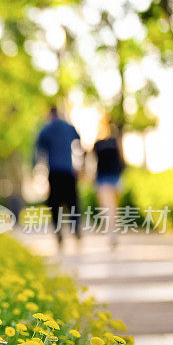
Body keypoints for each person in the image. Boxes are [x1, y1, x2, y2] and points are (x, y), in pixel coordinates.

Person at [33, 106, 84, 251]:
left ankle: (59, 232)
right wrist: (80, 164)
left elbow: (39, 152)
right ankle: (75, 229)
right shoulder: (68, 127)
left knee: (55, 205)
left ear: (49, 114)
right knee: (72, 203)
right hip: (68, 171)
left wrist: (37, 172)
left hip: (54, 172)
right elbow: (79, 144)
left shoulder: (46, 130)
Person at [91, 113, 125, 249]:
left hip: (105, 178)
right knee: (113, 209)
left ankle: (112, 235)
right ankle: (113, 235)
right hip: (113, 177)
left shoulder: (98, 144)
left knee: (108, 209)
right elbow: (121, 159)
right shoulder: (114, 141)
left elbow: (92, 163)